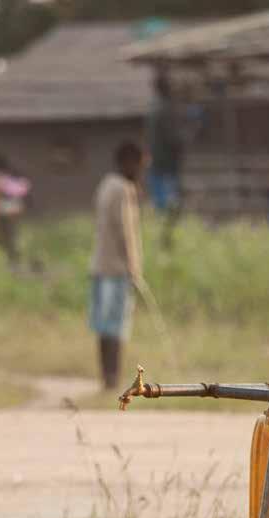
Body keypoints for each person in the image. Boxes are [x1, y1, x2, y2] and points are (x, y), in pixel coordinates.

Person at [90, 141, 146, 390]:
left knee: (103, 326)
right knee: (116, 326)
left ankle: (106, 378)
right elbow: (127, 232)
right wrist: (134, 268)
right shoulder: (123, 189)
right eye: (140, 166)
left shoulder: (105, 185)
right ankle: (114, 380)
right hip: (117, 269)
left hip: (99, 266)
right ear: (129, 162)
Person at [0, 155, 31, 270]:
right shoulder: (6, 179)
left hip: (3, 211)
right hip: (10, 211)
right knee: (11, 236)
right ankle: (13, 260)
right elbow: (20, 192)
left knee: (5, 237)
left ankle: (10, 261)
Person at [147, 72, 183, 215]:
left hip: (158, 162)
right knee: (169, 203)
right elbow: (173, 137)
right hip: (166, 163)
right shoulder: (165, 110)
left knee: (161, 203)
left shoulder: (155, 108)